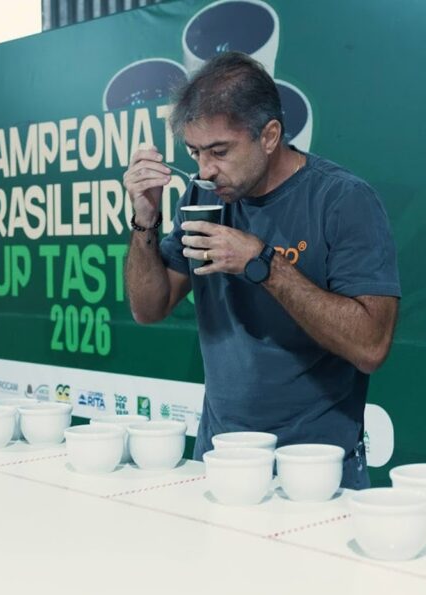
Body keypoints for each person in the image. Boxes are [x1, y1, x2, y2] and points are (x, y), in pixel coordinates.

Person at [123, 51, 400, 489]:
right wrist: (145, 217)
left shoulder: (343, 200)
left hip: (316, 466)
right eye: (195, 152)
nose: (205, 170)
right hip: (220, 457)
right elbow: (148, 308)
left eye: (219, 151)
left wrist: (263, 263)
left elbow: (371, 346)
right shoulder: (202, 196)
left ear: (269, 135)